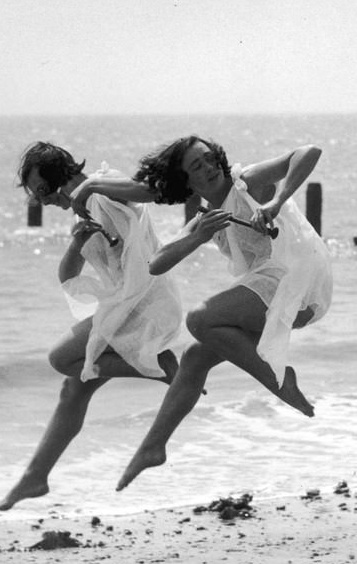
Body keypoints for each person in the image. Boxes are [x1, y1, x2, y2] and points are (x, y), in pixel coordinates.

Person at [71, 136, 333, 490]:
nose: (208, 168)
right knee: (195, 357)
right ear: (186, 182)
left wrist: (276, 201)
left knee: (200, 320)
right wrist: (197, 237)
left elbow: (308, 152)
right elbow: (156, 264)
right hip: (270, 289)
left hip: (299, 283)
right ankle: (152, 448)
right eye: (196, 166)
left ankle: (279, 380)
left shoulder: (248, 182)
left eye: (210, 159)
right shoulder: (207, 216)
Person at [0, 143, 182, 510]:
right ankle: (35, 479)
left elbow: (150, 194)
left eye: (42, 191)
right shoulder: (84, 210)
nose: (42, 201)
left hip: (142, 305)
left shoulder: (102, 191)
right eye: (35, 195)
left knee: (62, 358)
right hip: (129, 304)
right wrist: (77, 242)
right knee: (74, 390)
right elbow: (68, 277)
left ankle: (160, 368)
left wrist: (93, 188)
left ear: (60, 175)